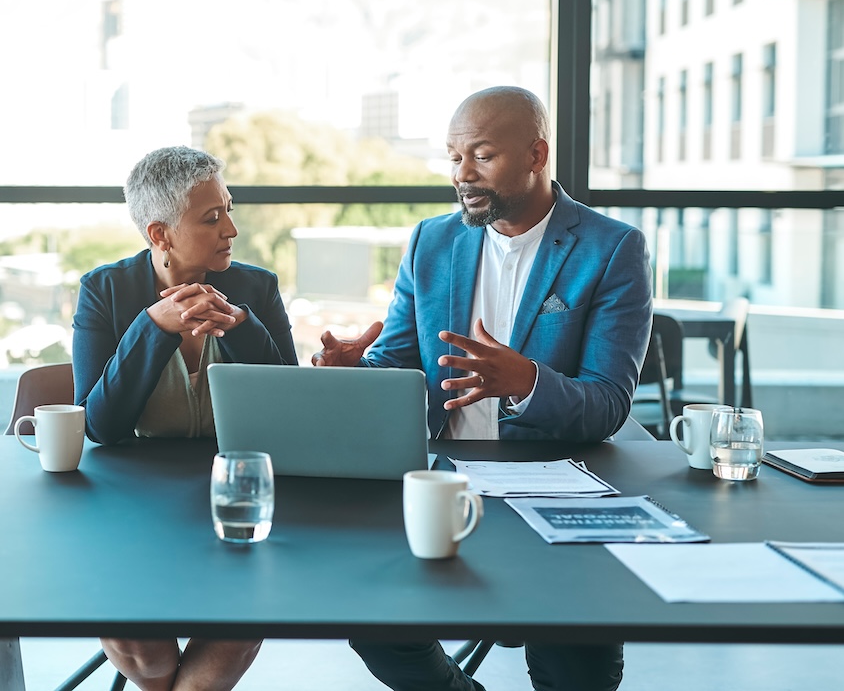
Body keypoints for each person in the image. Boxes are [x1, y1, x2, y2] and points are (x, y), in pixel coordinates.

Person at [313, 86, 652, 691]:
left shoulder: (611, 248)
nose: (461, 173)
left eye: (482, 155)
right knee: (374, 623)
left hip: (557, 486)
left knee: (578, 668)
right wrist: (352, 376)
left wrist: (526, 381)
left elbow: (607, 403)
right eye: (453, 156)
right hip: (445, 480)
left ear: (536, 154)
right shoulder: (430, 242)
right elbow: (397, 366)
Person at [72, 145, 296, 691]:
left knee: (235, 631)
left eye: (229, 208)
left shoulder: (257, 288)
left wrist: (242, 325)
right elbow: (99, 424)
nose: (232, 229)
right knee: (142, 649)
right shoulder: (104, 291)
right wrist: (153, 327)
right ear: (160, 234)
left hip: (233, 497)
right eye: (212, 217)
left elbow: (291, 404)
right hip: (128, 503)